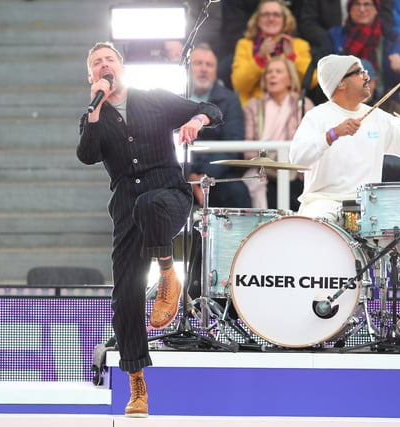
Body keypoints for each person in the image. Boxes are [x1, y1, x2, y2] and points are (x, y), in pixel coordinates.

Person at [76, 42, 222, 418]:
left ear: (122, 68)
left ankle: (168, 273)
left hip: (169, 195)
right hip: (127, 211)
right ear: (90, 76)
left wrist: (195, 121)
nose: (104, 66)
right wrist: (94, 111)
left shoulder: (153, 99)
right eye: (96, 63)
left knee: (150, 205)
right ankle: (137, 382)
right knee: (124, 297)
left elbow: (211, 108)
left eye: (109, 60)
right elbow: (87, 154)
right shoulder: (93, 116)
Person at [288, 54, 400, 224]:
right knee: (319, 223)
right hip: (325, 201)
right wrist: (332, 134)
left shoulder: (377, 117)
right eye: (359, 72)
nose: (367, 76)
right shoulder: (316, 116)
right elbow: (297, 159)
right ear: (340, 83)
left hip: (369, 204)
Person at [243, 56, 314, 210]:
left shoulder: (303, 105)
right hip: (263, 172)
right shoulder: (254, 106)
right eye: (269, 72)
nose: (272, 75)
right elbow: (247, 150)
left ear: (290, 79)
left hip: (294, 173)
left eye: (278, 71)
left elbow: (310, 145)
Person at [188, 43, 251, 208]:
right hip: (179, 172)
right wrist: (189, 174)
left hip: (217, 173)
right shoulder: (173, 98)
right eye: (198, 63)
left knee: (237, 193)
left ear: (216, 71)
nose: (204, 69)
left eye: (209, 65)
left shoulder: (230, 100)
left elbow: (233, 144)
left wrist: (205, 175)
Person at [231, 0, 317, 107]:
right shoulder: (245, 44)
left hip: (289, 110)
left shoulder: (298, 45)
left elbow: (312, 81)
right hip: (253, 111)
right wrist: (259, 58)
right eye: (265, 15)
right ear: (257, 20)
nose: (271, 19)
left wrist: (292, 57)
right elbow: (238, 85)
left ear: (285, 19)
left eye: (276, 15)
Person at [328, 0, 400, 112]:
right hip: (344, 105)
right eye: (357, 4)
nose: (362, 9)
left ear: (376, 9)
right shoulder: (334, 36)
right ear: (349, 9)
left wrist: (399, 69)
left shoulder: (393, 39)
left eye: (367, 4)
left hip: (385, 105)